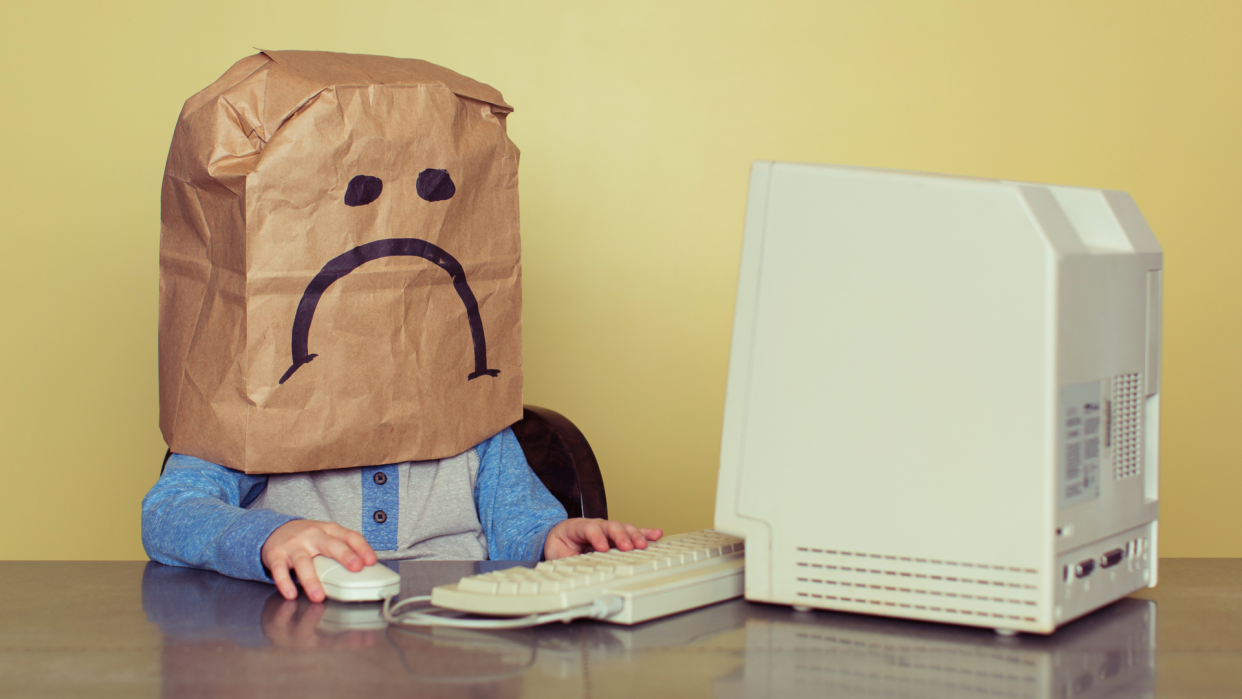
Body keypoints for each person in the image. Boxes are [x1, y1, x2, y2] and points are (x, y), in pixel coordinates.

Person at [143, 430, 662, 603]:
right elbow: (167, 513)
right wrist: (267, 533)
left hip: (458, 644)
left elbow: (518, 525)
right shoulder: (254, 419)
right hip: (294, 647)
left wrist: (551, 537)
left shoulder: (480, 426)